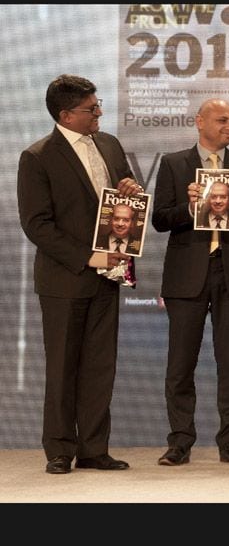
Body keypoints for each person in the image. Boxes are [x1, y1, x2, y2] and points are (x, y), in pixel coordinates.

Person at [17, 74, 141, 474]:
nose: (100, 112)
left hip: (110, 276)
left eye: (98, 103)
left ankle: (93, 448)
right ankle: (59, 449)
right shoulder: (37, 157)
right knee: (63, 366)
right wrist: (89, 258)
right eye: (91, 108)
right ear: (66, 114)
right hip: (64, 280)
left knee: (100, 365)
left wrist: (130, 192)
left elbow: (119, 202)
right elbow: (37, 225)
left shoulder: (109, 144)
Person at [152, 98, 229, 466]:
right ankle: (179, 442)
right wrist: (189, 209)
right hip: (187, 274)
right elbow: (159, 219)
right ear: (199, 121)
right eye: (223, 120)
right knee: (180, 363)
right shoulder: (174, 164)